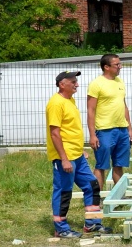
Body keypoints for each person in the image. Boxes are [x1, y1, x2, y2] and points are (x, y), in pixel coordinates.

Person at [46, 71, 111, 237]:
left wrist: (79, 149)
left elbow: (69, 130)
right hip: (65, 158)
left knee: (92, 185)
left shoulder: (70, 100)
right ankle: (61, 229)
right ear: (62, 84)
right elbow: (55, 133)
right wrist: (64, 159)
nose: (77, 84)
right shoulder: (56, 103)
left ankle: (92, 223)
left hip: (77, 156)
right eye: (73, 82)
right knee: (64, 191)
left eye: (76, 81)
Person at [87, 54, 132, 186]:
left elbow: (124, 105)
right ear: (106, 67)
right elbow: (91, 110)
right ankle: (97, 196)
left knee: (119, 164)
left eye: (120, 64)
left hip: (122, 129)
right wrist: (92, 135)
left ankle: (121, 194)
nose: (120, 67)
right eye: (117, 65)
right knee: (101, 165)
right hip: (104, 130)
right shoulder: (96, 84)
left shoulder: (119, 81)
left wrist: (129, 129)